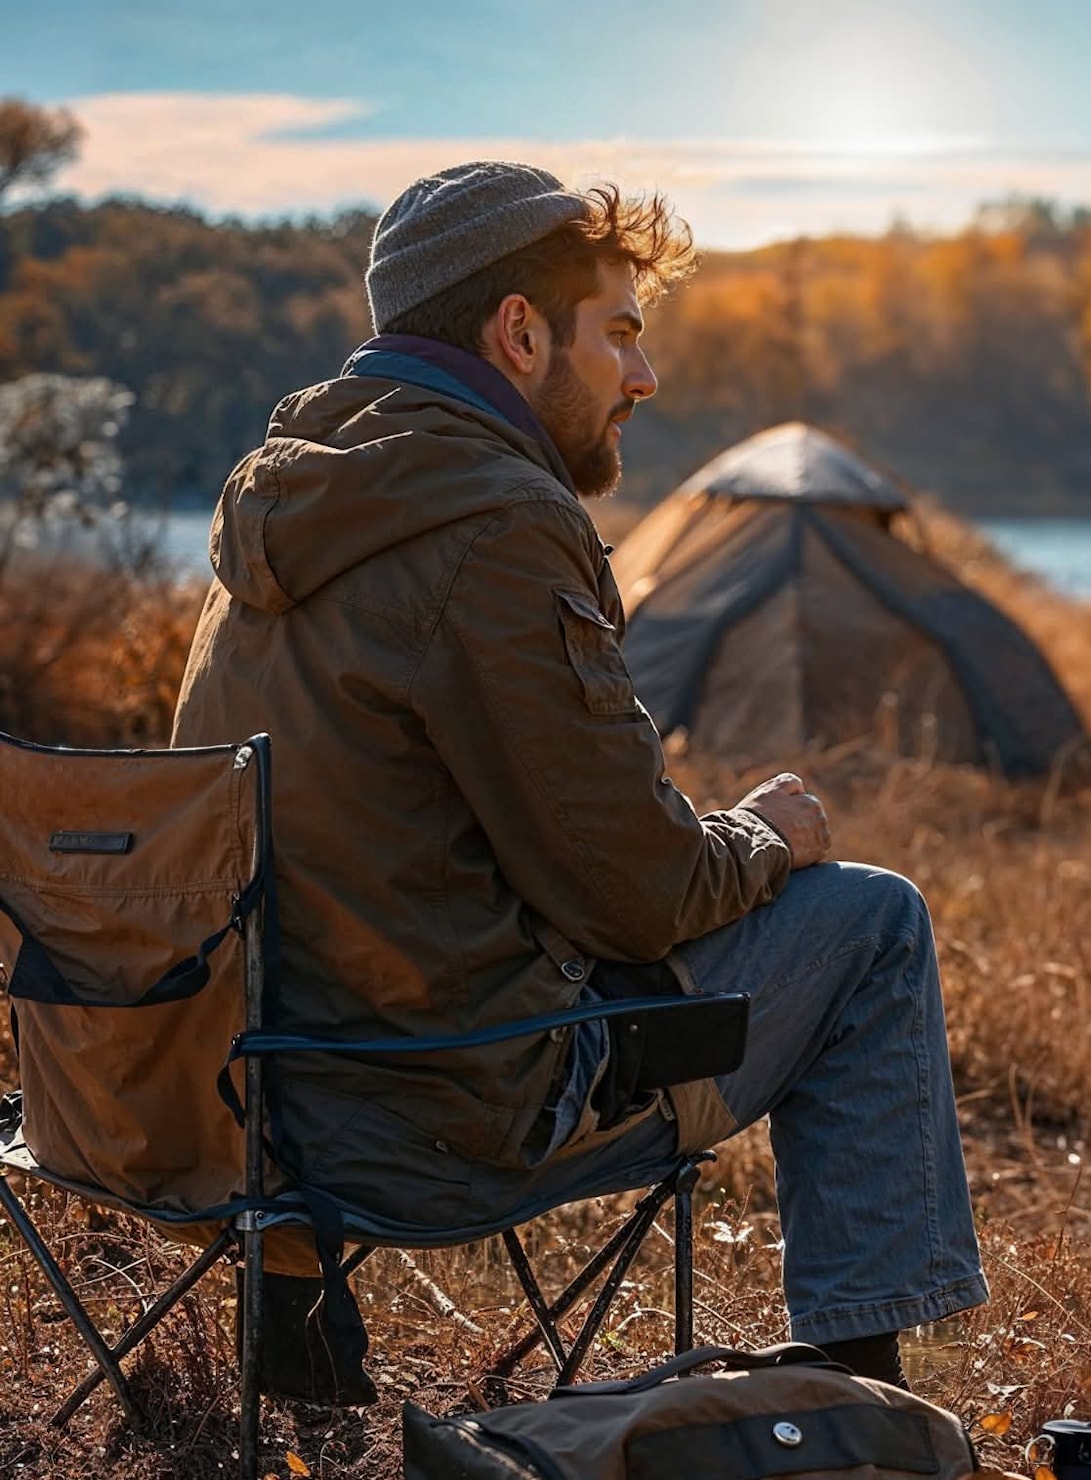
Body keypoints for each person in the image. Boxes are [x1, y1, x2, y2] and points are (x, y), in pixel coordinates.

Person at [172, 161, 987, 1401]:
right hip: (441, 1121)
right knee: (871, 921)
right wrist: (761, 838)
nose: (644, 379)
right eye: (620, 333)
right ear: (517, 332)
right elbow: (635, 894)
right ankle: (864, 1401)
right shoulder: (493, 523)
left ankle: (290, 1301)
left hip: (237, 1105)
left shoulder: (282, 500)